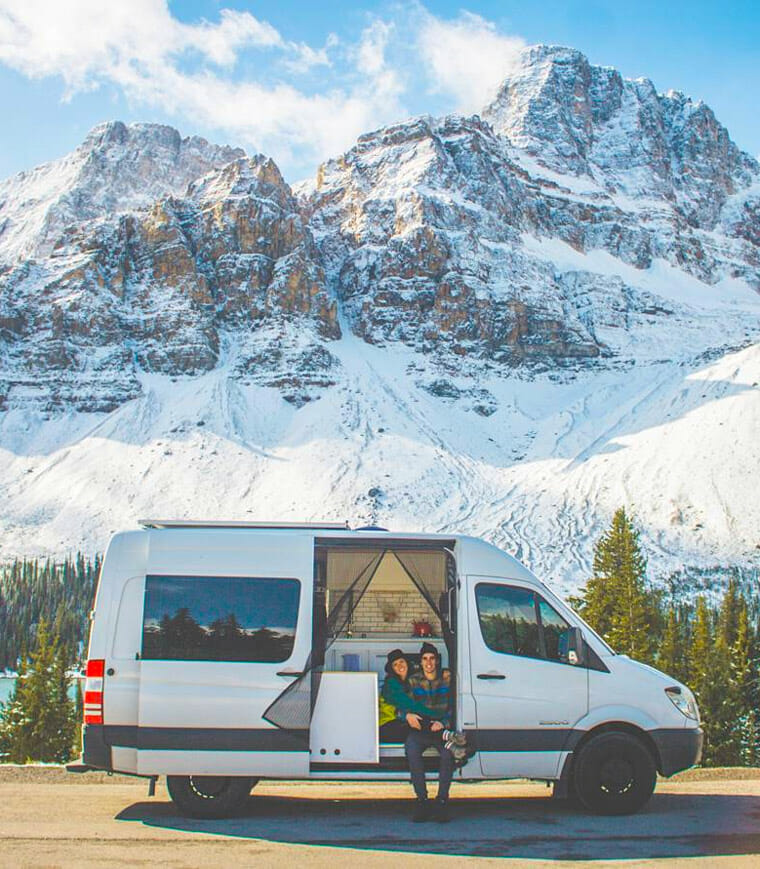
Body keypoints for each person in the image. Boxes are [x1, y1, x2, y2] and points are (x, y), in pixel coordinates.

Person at [404, 642, 466, 823]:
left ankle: (442, 802)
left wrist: (444, 722)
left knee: (448, 754)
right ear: (420, 662)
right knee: (412, 750)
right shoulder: (413, 680)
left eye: (432, 658)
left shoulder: (448, 678)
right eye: (425, 659)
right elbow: (402, 705)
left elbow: (455, 707)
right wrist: (407, 715)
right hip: (421, 730)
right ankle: (422, 800)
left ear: (437, 661)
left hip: (441, 730)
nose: (428, 662)